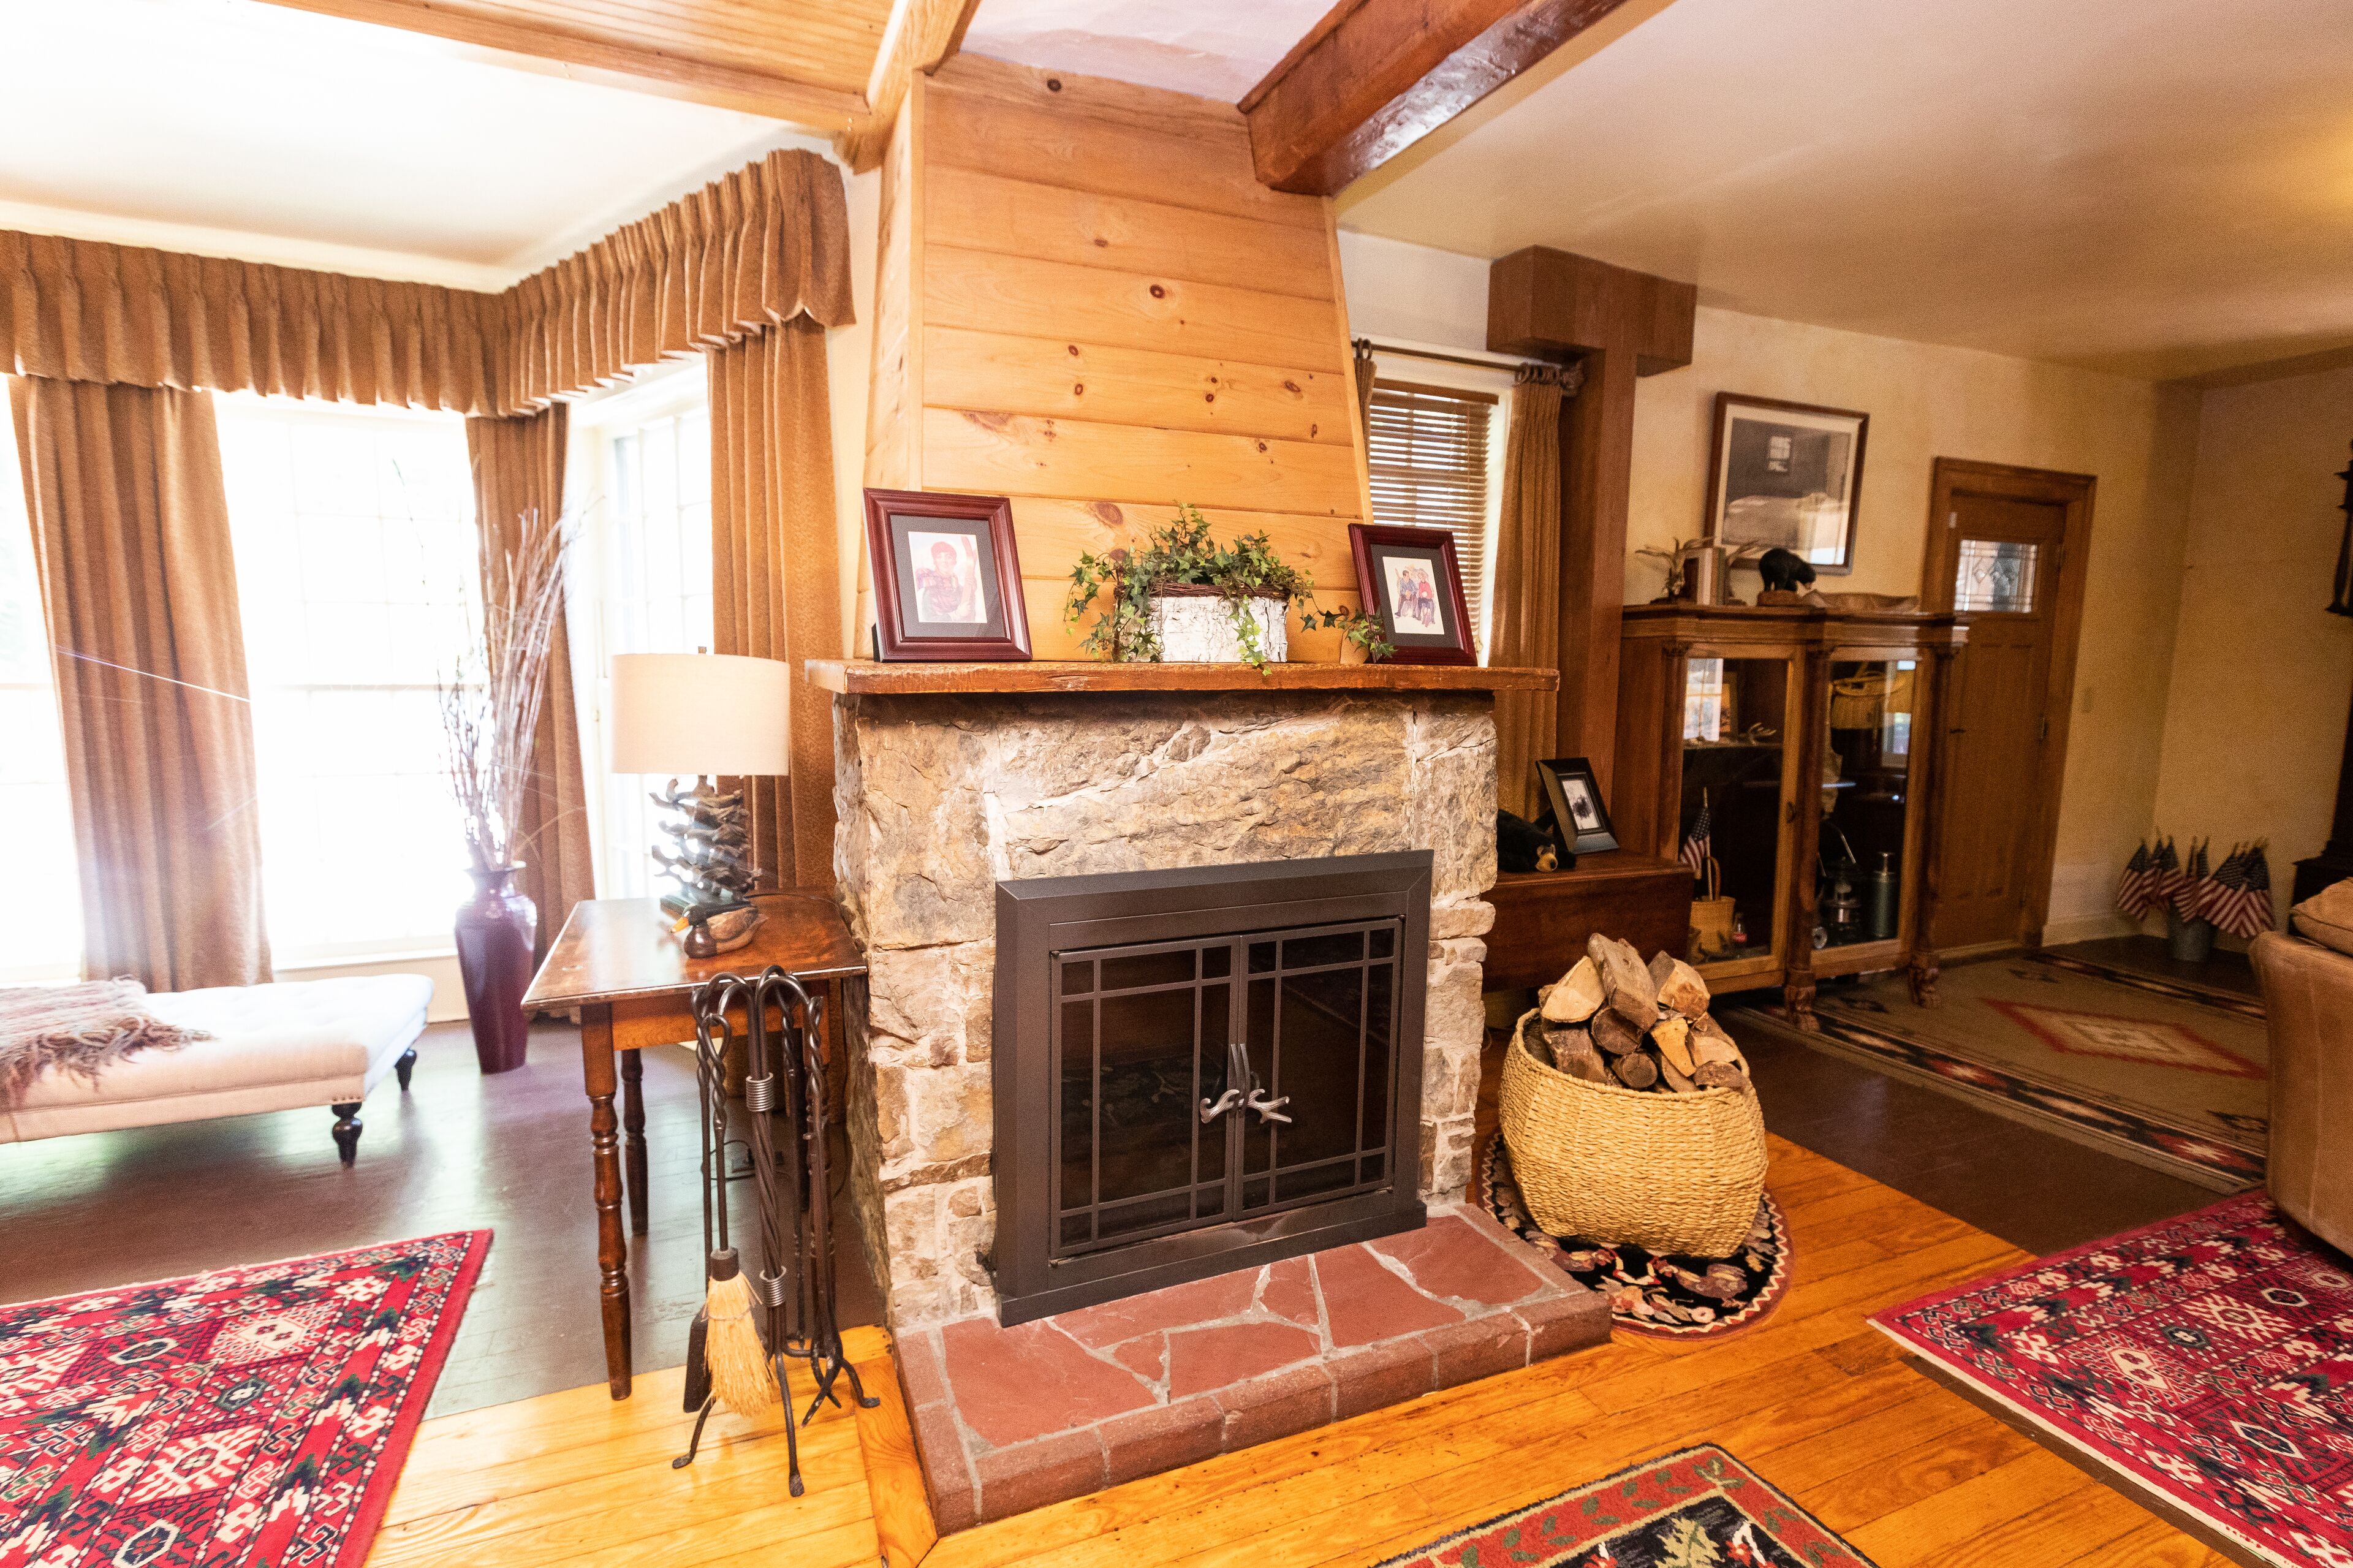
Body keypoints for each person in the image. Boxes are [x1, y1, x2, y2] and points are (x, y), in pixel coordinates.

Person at [915, 538, 976, 623]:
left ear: (955, 562)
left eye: (949, 557)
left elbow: (972, 622)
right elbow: (927, 621)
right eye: (939, 557)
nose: (944, 561)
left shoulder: (960, 589)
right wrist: (957, 614)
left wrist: (972, 595)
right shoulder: (929, 588)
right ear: (935, 561)